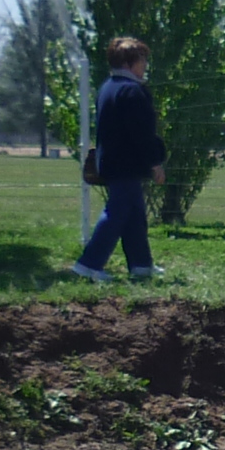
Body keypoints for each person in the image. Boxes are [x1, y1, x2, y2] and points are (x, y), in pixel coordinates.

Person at [70, 37, 169, 282]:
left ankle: (141, 264)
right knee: (116, 213)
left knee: (134, 213)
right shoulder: (133, 91)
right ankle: (89, 264)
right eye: (141, 59)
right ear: (128, 62)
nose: (145, 64)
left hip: (111, 161)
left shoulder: (108, 87)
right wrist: (155, 162)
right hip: (127, 163)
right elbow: (141, 133)